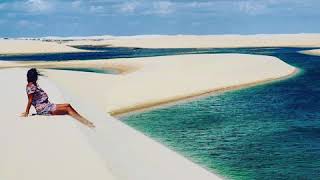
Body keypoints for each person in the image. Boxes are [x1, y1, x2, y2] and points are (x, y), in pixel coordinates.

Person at [21, 68, 95, 128]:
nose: (37, 77)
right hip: (44, 108)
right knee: (68, 109)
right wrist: (27, 112)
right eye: (36, 76)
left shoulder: (33, 84)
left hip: (47, 105)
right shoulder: (30, 86)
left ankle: (85, 121)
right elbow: (30, 100)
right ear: (34, 77)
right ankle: (87, 124)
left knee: (68, 105)